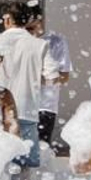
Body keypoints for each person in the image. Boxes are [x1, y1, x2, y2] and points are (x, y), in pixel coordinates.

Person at [0, 3, 60, 177]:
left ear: (8, 19)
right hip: (27, 111)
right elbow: (53, 78)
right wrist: (30, 79)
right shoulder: (39, 45)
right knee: (26, 171)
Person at [32, 19, 73, 156]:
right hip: (19, 105)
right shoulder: (19, 41)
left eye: (32, 24)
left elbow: (64, 76)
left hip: (45, 105)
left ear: (40, 20)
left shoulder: (55, 41)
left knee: (40, 152)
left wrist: (44, 80)